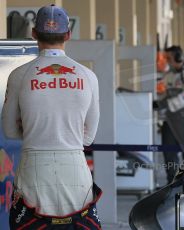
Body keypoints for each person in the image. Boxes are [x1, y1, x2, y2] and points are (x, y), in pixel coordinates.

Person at [1, 4, 102, 229]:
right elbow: (88, 138)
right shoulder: (88, 76)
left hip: (33, 168)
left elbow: (9, 130)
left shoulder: (19, 75)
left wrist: (30, 127)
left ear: (34, 33)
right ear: (68, 34)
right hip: (76, 167)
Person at [157, 45, 184, 184]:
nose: (167, 61)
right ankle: (172, 183)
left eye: (169, 58)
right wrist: (158, 103)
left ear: (178, 57)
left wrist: (167, 104)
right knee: (168, 152)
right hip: (169, 119)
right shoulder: (168, 74)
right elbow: (163, 93)